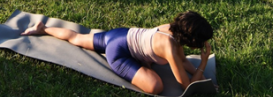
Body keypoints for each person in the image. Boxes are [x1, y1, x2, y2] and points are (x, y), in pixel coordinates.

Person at [21, 11, 214, 95]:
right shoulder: (170, 47)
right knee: (155, 86)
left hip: (122, 34)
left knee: (77, 37)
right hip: (119, 51)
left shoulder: (172, 29)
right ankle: (43, 29)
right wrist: (203, 64)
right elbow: (186, 86)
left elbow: (184, 62)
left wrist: (203, 77)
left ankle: (43, 28)